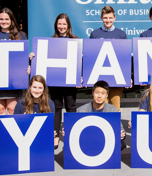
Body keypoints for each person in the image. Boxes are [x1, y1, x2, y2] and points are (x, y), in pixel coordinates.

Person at [89, 6, 127, 112]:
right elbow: (91, 56)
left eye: (110, 17)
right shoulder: (95, 34)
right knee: (100, 107)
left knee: (115, 107)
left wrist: (127, 77)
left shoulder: (121, 34)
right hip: (100, 77)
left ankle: (116, 128)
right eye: (105, 18)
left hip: (117, 77)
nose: (108, 20)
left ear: (114, 18)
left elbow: (124, 57)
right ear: (101, 18)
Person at [49, 14, 78, 149]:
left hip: (70, 79)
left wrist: (80, 76)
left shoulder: (75, 40)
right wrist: (33, 56)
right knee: (56, 107)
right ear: (56, 25)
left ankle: (72, 133)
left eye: (64, 24)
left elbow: (80, 60)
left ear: (68, 25)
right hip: (55, 80)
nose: (61, 26)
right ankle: (55, 136)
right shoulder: (51, 40)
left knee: (71, 106)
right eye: (59, 24)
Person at [77, 80, 126, 149]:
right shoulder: (82, 110)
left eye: (103, 93)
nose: (99, 96)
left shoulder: (112, 110)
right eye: (97, 92)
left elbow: (121, 128)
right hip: (88, 139)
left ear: (106, 95)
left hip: (106, 140)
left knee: (120, 143)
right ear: (93, 93)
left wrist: (122, 134)